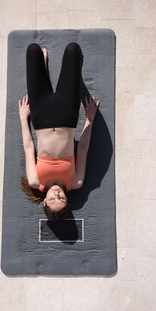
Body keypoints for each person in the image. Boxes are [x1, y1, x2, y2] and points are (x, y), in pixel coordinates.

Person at [19, 42, 99, 221]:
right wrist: (89, 119)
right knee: (73, 49)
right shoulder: (75, 182)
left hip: (41, 115)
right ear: (67, 200)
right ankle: (52, 70)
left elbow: (28, 147)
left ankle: (44, 65)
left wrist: (24, 118)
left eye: (53, 199)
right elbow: (83, 149)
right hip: (66, 114)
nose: (57, 194)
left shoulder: (35, 181)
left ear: (45, 202)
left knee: (32, 50)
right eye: (61, 199)